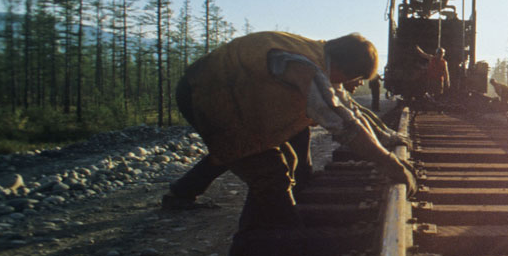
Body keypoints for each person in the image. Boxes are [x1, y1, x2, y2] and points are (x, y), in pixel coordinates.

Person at [162, 31, 414, 230]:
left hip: (230, 97)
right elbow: (341, 122)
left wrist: (386, 139)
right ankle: (272, 237)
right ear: (344, 68)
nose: (354, 84)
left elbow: (350, 111)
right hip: (206, 91)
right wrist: (388, 161)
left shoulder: (319, 58)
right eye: (356, 77)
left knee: (273, 158)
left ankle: (255, 228)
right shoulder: (305, 68)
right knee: (268, 173)